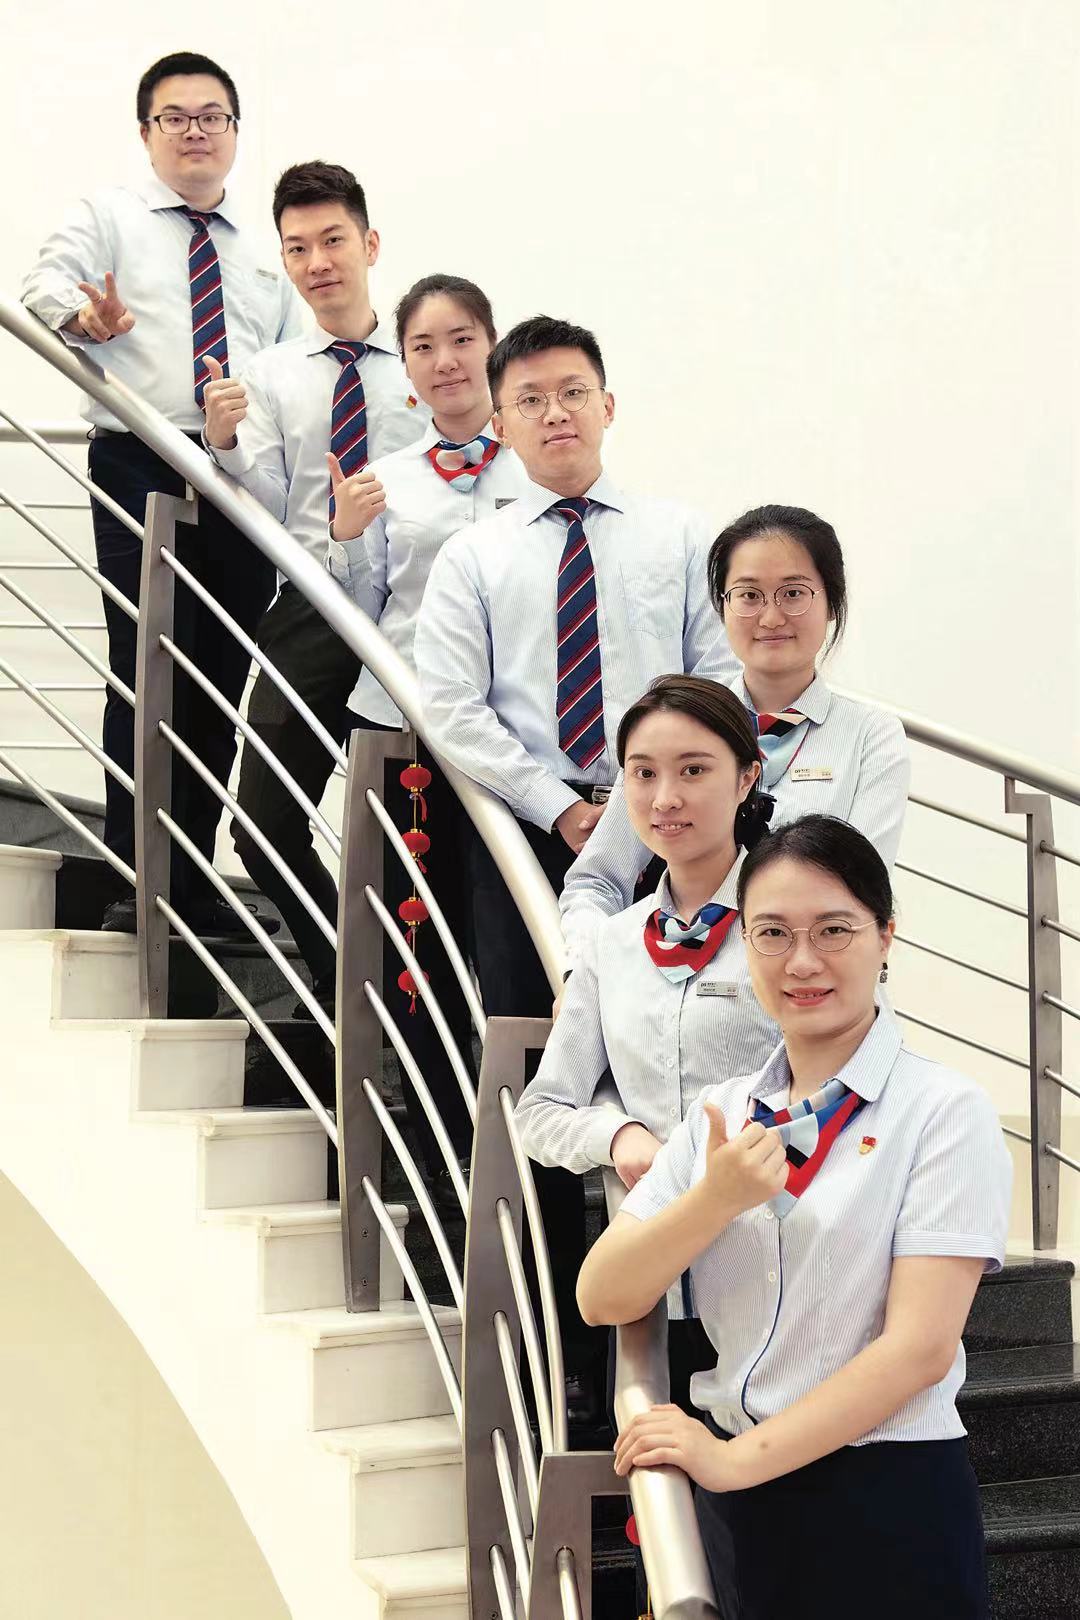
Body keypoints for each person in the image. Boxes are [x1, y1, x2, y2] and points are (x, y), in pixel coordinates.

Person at [579, 815, 1011, 1620]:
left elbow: (919, 1349)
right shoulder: (722, 1114)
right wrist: (714, 1199)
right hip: (737, 1506)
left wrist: (733, 1461)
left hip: (884, 1497)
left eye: (834, 930)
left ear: (886, 935)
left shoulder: (944, 1111)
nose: (802, 961)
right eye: (773, 933)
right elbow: (602, 1295)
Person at [21, 51, 301, 932]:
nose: (195, 131)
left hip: (236, 473)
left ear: (234, 132)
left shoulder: (262, 252)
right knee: (145, 667)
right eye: (175, 117)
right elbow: (41, 286)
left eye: (212, 116)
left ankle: (190, 877)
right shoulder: (108, 214)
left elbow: (291, 369)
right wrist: (85, 319)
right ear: (147, 132)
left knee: (218, 682)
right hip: (141, 458)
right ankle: (133, 871)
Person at [414, 313, 738, 1020]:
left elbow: (718, 680)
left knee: (672, 1022)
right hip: (522, 823)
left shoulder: (681, 536)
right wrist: (555, 807)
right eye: (530, 400)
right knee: (529, 1024)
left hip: (665, 819)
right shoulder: (472, 556)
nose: (555, 413)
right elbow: (450, 705)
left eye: (572, 392)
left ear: (607, 406)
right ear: (501, 425)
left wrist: (642, 800)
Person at [516, 675, 781, 1412]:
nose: (665, 798)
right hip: (656, 1279)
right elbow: (540, 1112)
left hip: (781, 1277)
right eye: (643, 773)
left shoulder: (789, 924)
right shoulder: (612, 945)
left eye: (693, 770)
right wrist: (617, 1135)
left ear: (746, 778)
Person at [202, 161, 428, 1015]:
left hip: (417, 615)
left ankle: (417, 1003)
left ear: (370, 244)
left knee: (414, 837)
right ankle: (349, 976)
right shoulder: (269, 373)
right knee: (261, 821)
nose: (317, 262)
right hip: (314, 605)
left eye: (333, 240)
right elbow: (264, 497)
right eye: (297, 248)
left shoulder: (426, 360)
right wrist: (224, 442)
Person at [327, 272, 530, 1195]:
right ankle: (443, 1145)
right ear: (405, 370)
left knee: (506, 945)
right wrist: (345, 534)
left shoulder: (537, 470)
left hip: (515, 746)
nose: (445, 361)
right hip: (405, 741)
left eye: (461, 339)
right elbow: (361, 609)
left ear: (491, 346)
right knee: (418, 949)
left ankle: (520, 1150)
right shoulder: (387, 480)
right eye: (423, 347)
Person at [560, 504, 911, 965]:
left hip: (803, 978)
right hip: (673, 977)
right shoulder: (675, 719)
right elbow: (597, 880)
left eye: (793, 593)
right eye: (748, 595)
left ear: (832, 602)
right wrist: (584, 972)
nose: (771, 617)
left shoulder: (871, 737)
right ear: (722, 606)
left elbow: (858, 891)